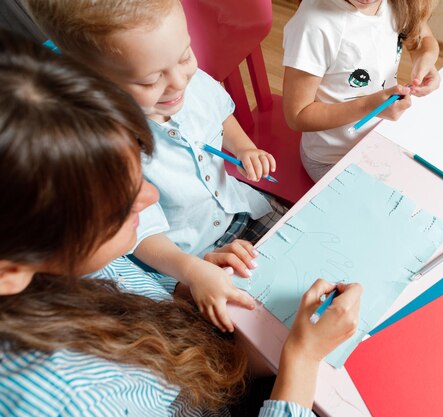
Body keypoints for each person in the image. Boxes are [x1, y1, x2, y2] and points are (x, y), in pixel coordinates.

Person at [0, 31, 362, 417]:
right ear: (11, 270)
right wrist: (302, 360)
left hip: (207, 358)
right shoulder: (71, 402)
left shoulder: (42, 243)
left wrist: (186, 283)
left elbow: (134, 291)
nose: (152, 198)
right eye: (116, 204)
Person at [24, 0, 286, 333]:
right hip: (188, 258)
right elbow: (141, 234)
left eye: (186, 55)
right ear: (94, 82)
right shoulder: (103, 148)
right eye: (150, 81)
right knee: (253, 328)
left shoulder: (185, 80)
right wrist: (191, 271)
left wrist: (245, 147)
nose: (179, 82)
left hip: (242, 208)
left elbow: (219, 112)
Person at [282, 0, 441, 181]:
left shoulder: (398, 4)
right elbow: (297, 116)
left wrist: (425, 60)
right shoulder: (313, 24)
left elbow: (424, 38)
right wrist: (369, 106)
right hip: (334, 159)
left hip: (383, 137)